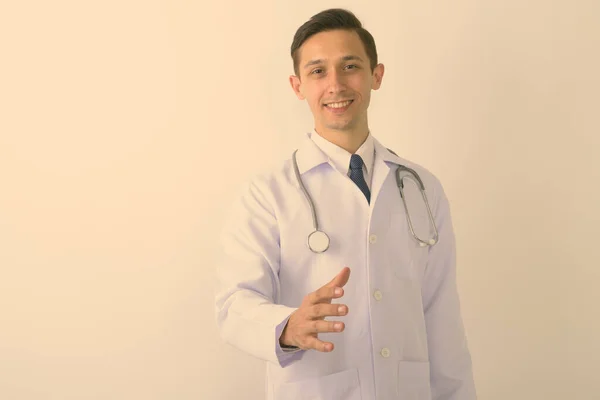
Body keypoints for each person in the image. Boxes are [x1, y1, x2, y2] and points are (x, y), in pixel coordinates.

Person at [214, 8, 477, 400]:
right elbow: (234, 302)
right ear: (297, 85)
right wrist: (287, 326)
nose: (335, 84)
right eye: (318, 71)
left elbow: (442, 323)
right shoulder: (268, 193)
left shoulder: (422, 188)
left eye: (350, 66)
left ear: (376, 75)